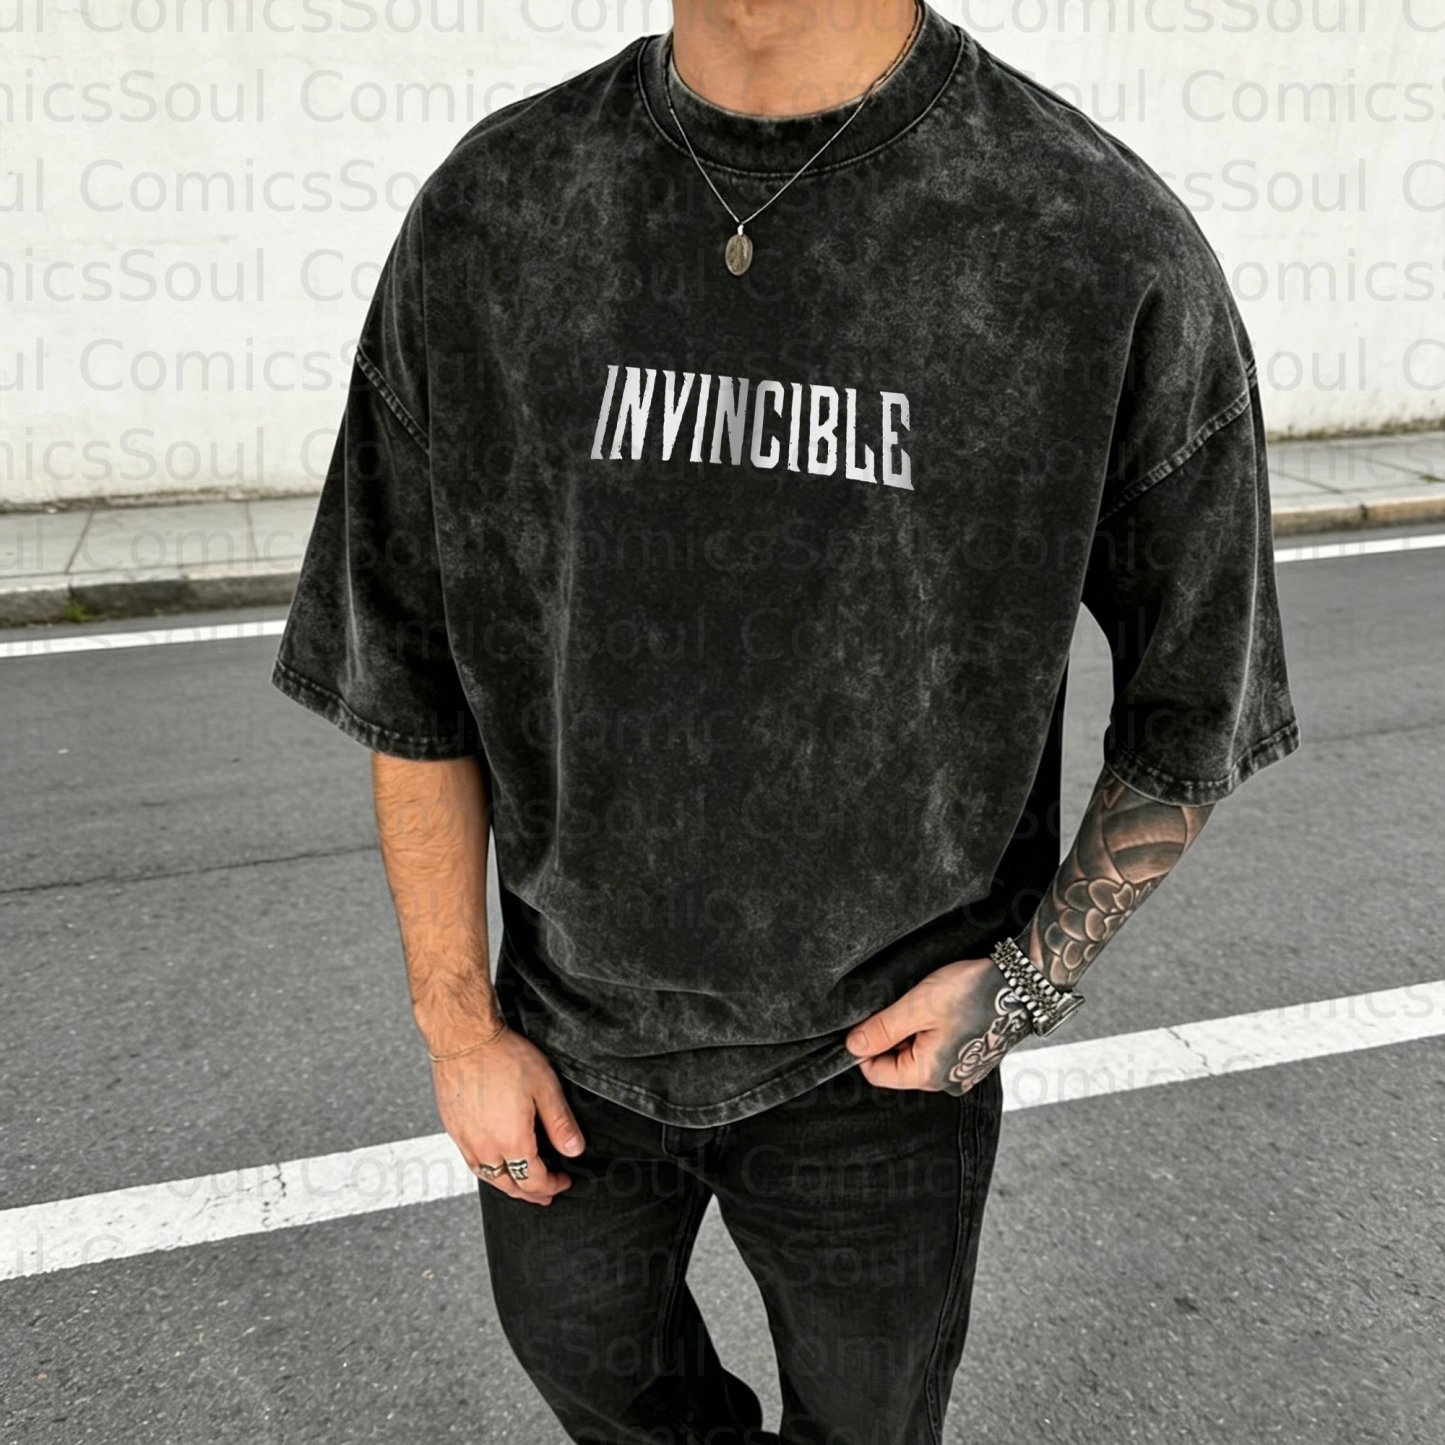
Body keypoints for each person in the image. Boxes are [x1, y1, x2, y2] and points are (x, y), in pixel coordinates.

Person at [270, 1, 1302, 1440]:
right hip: (564, 1042)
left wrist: (1023, 984)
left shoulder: (1089, 236)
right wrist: (458, 1029)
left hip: (879, 1067)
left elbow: (1199, 696)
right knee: (602, 1385)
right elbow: (404, 662)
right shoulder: (496, 210)